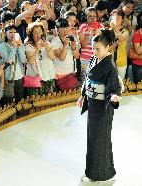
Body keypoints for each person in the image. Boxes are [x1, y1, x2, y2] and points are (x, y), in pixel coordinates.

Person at [77, 29, 122, 183]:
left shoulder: (110, 66)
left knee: (100, 140)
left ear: (107, 47)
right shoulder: (93, 60)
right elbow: (87, 80)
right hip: (94, 105)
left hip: (103, 107)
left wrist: (114, 98)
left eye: (98, 49)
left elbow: (114, 88)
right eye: (93, 48)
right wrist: (83, 95)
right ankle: (92, 172)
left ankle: (103, 175)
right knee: (93, 138)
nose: (95, 51)